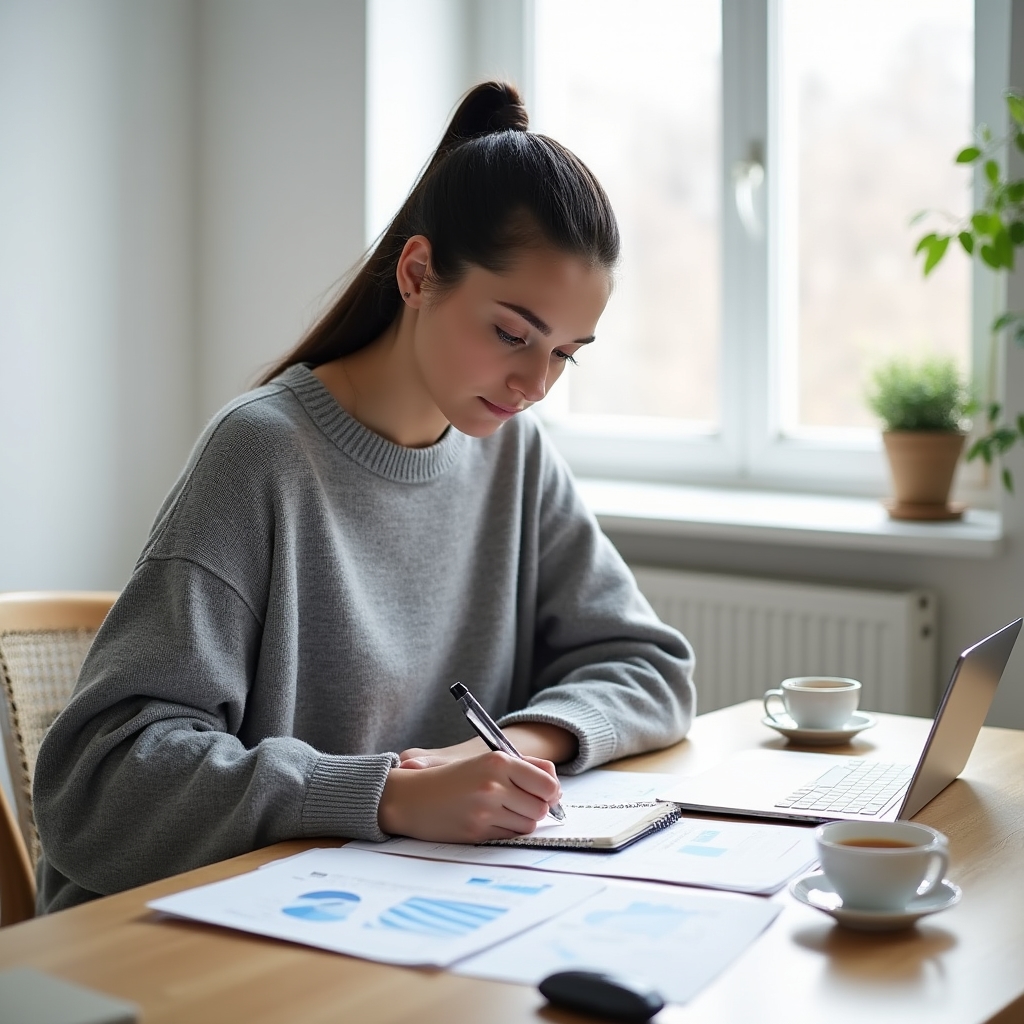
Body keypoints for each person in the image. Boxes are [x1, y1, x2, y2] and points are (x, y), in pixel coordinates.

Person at [33, 81, 696, 913]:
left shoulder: (515, 454)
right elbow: (97, 786)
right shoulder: (262, 454)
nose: (535, 383)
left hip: (388, 911)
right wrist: (383, 793)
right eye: (511, 333)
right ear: (418, 274)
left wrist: (515, 750)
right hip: (187, 934)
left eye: (567, 352)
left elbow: (650, 667)